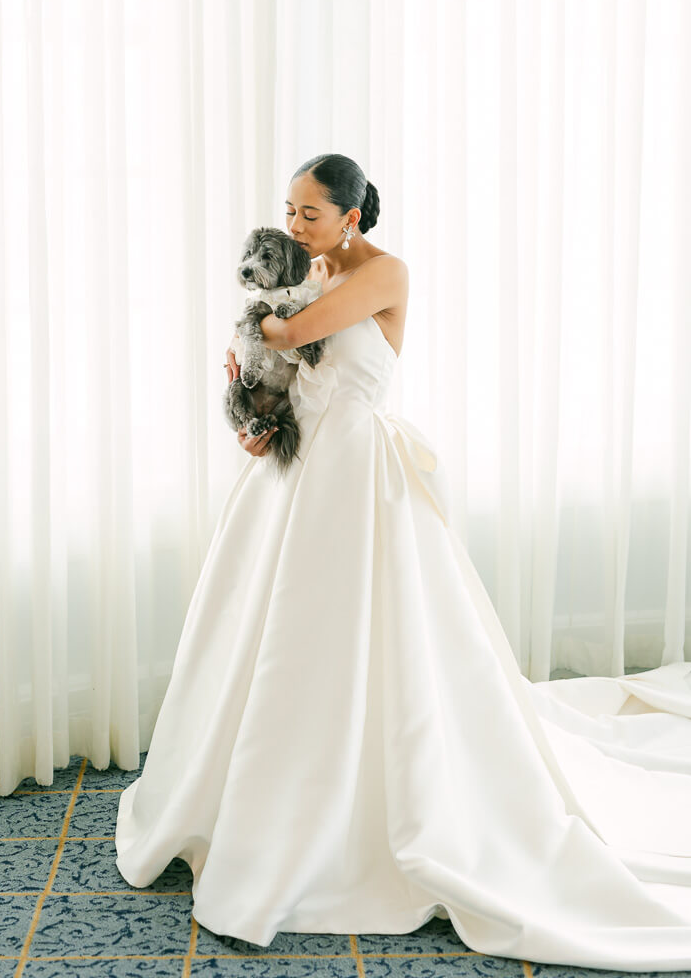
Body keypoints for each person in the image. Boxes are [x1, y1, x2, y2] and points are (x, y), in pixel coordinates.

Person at [115, 153, 691, 968]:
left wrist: (257, 332)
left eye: (309, 213)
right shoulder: (306, 271)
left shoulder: (384, 274)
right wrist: (252, 409)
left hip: (356, 476)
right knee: (262, 640)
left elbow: (293, 331)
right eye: (288, 210)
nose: (294, 226)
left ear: (351, 215)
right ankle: (250, 802)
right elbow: (279, 375)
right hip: (292, 473)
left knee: (362, 641)